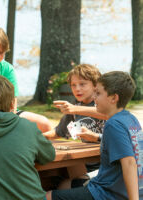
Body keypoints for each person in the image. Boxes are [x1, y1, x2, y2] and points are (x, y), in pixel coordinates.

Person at [47, 71, 143, 200]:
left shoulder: (113, 124)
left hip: (107, 193)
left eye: (98, 93)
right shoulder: (131, 119)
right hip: (119, 187)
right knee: (64, 185)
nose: (94, 98)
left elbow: (129, 163)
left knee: (47, 196)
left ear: (114, 98)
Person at [43, 64, 106, 189]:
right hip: (85, 163)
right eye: (73, 85)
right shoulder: (74, 107)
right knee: (49, 177)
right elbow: (58, 132)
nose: (77, 89)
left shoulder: (104, 104)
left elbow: (107, 114)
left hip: (106, 167)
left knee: (62, 186)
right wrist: (36, 136)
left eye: (82, 84)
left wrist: (74, 109)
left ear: (95, 85)